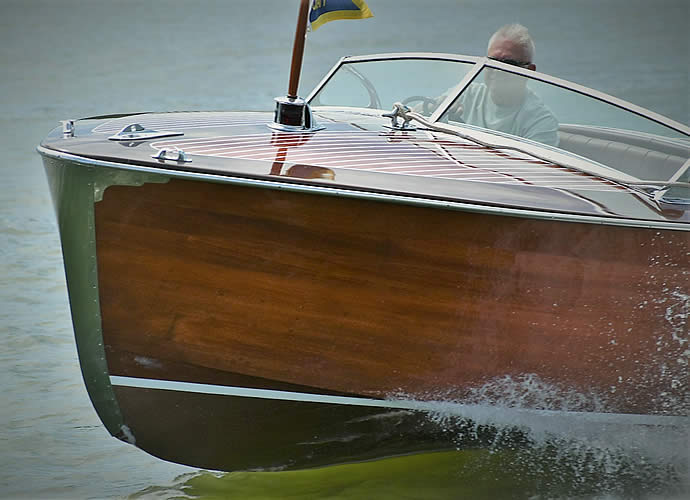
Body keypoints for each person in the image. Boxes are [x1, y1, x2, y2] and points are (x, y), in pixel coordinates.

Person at [448, 24, 560, 147]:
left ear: (529, 71)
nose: (497, 70)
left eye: (508, 64)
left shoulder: (540, 121)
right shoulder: (466, 93)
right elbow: (426, 112)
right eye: (492, 62)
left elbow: (531, 165)